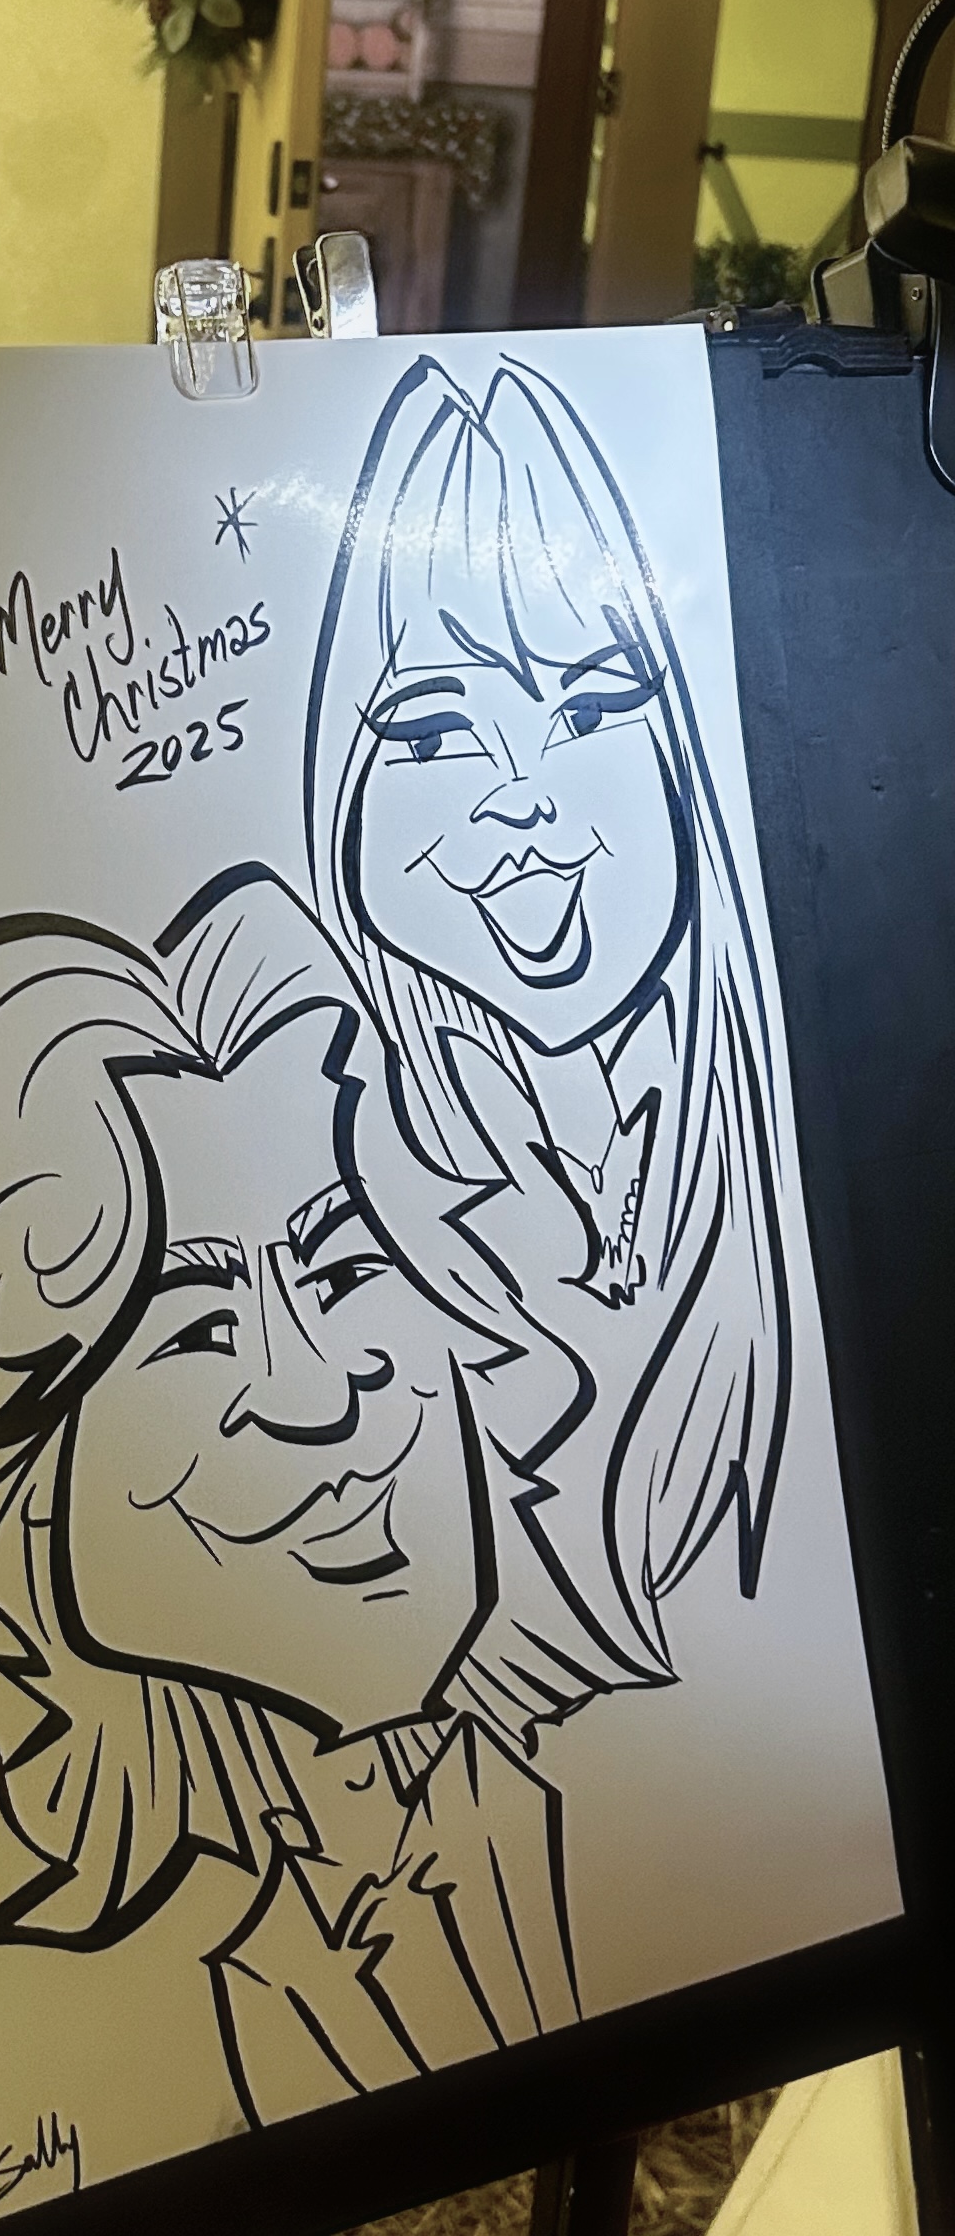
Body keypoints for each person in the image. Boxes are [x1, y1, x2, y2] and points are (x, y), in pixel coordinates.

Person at [0, 866, 668, 2128]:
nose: (317, 1393)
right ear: (41, 1491)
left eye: (348, 1264)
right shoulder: (127, 2028)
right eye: (196, 1326)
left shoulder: (642, 1816)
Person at [303, 353, 792, 1674]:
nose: (519, 794)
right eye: (429, 734)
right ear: (341, 786)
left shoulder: (791, 1118)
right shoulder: (328, 1153)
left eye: (589, 706)